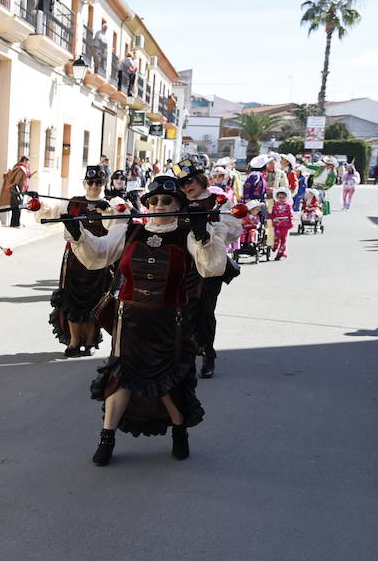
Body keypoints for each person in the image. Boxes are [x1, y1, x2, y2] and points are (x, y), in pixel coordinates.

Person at [69, 175, 229, 465]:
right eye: (153, 200)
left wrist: (202, 234)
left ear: (178, 203)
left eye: (167, 200)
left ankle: (179, 430)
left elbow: (211, 268)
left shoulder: (187, 234)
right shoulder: (130, 231)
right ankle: (107, 438)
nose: (160, 205)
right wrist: (77, 232)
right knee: (121, 379)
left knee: (166, 383)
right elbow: (99, 255)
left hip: (169, 323)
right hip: (129, 320)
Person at [40, 165, 125, 357]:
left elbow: (119, 223)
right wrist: (38, 202)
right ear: (85, 183)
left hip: (100, 261)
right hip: (74, 261)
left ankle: (90, 340)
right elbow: (51, 211)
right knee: (71, 300)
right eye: (91, 182)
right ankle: (73, 341)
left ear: (105, 183)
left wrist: (108, 211)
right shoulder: (73, 202)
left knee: (94, 301)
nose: (94, 186)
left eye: (99, 182)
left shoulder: (113, 203)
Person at [179, 163, 242, 377]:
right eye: (181, 183)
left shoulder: (216, 202)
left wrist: (212, 234)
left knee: (204, 309)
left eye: (189, 180)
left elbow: (234, 229)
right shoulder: (176, 204)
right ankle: (186, 354)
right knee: (182, 310)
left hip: (209, 265)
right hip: (182, 265)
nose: (186, 186)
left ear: (200, 179)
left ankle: (207, 353)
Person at [0, 154, 33, 227]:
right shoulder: (21, 169)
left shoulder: (19, 167)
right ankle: (15, 223)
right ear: (24, 160)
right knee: (17, 208)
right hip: (18, 191)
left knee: (16, 207)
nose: (28, 163)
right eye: (28, 161)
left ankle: (15, 223)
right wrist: (16, 187)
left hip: (16, 191)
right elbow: (17, 180)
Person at [271, 190, 295, 259]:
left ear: (286, 198)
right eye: (280, 197)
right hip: (277, 224)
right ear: (277, 198)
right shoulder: (275, 205)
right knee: (277, 237)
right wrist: (270, 218)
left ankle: (280, 253)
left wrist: (291, 223)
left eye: (283, 197)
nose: (281, 199)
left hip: (285, 224)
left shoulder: (288, 205)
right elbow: (273, 214)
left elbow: (290, 214)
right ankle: (275, 246)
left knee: (283, 239)